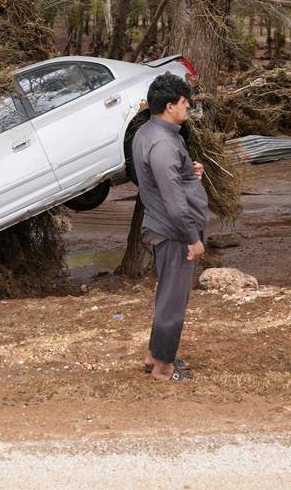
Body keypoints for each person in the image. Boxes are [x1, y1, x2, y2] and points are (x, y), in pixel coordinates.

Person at [130, 73, 208, 381]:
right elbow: (174, 200)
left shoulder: (149, 133)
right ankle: (163, 368)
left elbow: (161, 177)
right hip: (174, 232)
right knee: (174, 300)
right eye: (184, 102)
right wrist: (192, 238)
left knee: (168, 295)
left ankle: (155, 354)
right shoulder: (163, 143)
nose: (188, 107)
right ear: (170, 106)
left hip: (166, 227)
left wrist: (190, 172)